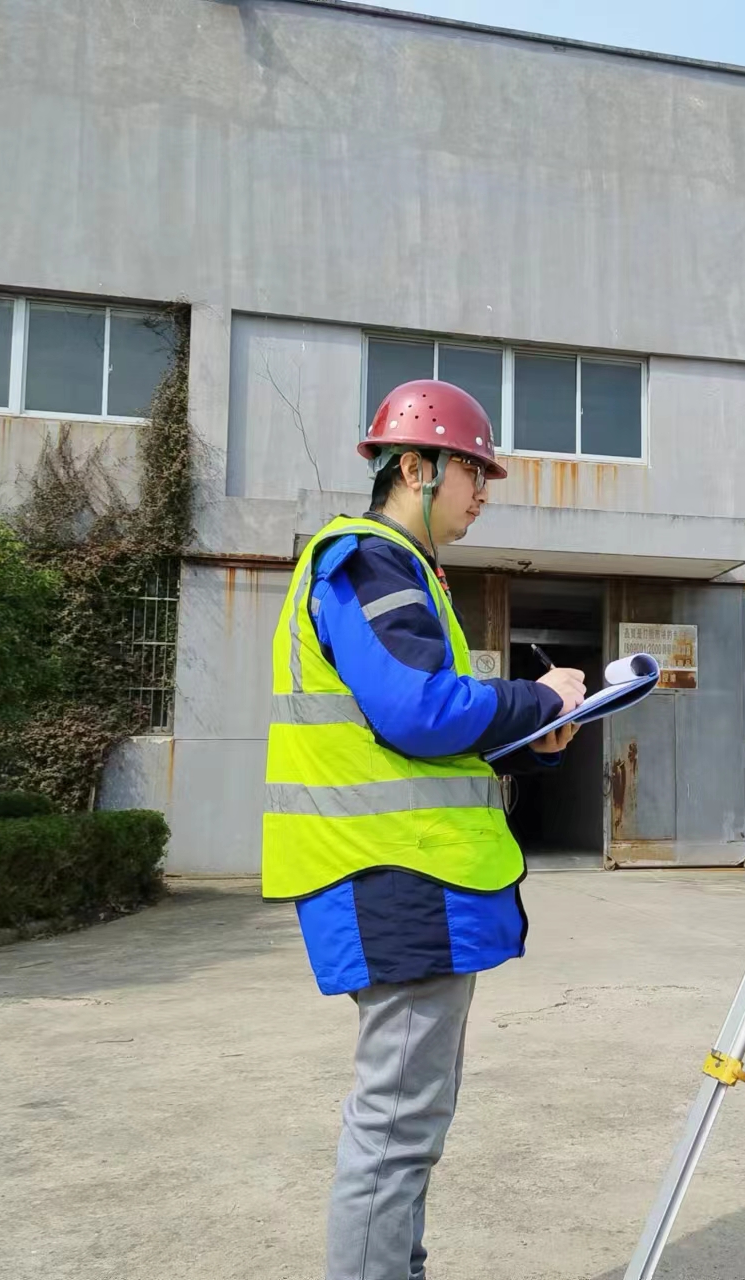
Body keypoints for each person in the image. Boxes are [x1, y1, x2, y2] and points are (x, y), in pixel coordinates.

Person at [261, 379, 585, 1280]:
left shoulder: (407, 572)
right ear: (414, 466)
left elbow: (424, 741)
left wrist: (535, 737)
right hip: (391, 877)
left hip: (409, 879)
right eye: (472, 472)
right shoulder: (369, 561)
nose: (482, 491)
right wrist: (538, 695)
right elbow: (414, 710)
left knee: (408, 1123)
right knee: (396, 1126)